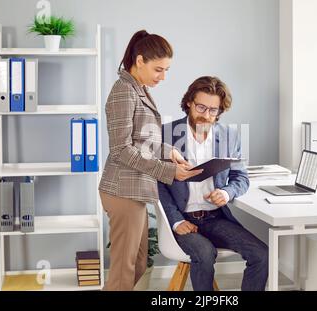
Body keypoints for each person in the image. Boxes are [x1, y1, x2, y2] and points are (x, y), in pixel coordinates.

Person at [98, 30, 202, 291]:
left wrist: (169, 152)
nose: (163, 77)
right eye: (159, 69)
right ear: (140, 60)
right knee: (124, 269)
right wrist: (168, 171)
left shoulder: (138, 88)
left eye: (166, 70)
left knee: (139, 262)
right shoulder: (124, 91)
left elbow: (142, 138)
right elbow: (121, 149)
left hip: (134, 190)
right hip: (122, 191)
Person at [158, 76, 269, 291]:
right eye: (201, 107)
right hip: (183, 219)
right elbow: (158, 184)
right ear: (189, 102)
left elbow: (241, 177)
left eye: (213, 110)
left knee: (261, 254)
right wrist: (176, 221)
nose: (206, 116)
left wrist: (227, 193)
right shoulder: (167, 134)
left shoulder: (230, 136)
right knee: (205, 253)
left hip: (215, 217)